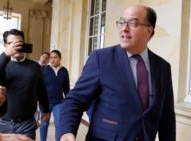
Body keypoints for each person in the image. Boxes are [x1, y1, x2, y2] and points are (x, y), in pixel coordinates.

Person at [59, 4, 176, 141]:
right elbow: (75, 100)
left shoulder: (163, 67)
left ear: (149, 31)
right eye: (121, 22)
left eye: (132, 23)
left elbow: (167, 118)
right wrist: (67, 131)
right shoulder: (100, 59)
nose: (124, 28)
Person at [0, 29, 50, 140]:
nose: (16, 46)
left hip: (26, 123)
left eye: (19, 43)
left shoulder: (35, 66)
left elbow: (41, 89)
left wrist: (45, 109)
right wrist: (6, 55)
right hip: (0, 122)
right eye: (11, 43)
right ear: (5, 45)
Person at [39, 50, 70, 141]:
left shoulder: (64, 71)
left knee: (59, 124)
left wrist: (68, 102)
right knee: (44, 124)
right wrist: (38, 99)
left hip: (59, 102)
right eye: (51, 57)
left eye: (55, 57)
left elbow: (66, 88)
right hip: (45, 102)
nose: (53, 60)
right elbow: (38, 87)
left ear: (60, 58)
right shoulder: (44, 69)